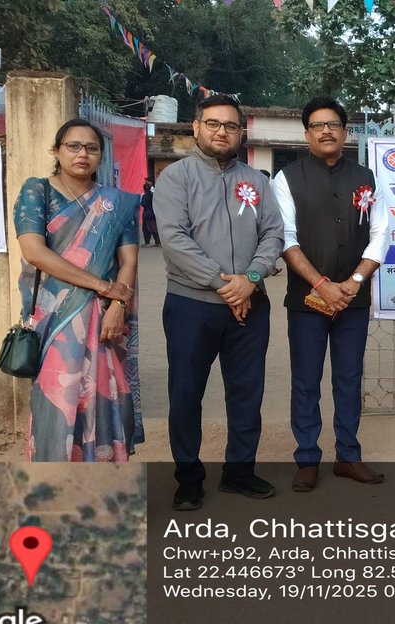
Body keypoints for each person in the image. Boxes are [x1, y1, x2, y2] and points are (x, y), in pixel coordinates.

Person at [155, 94, 284, 510]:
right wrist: (224, 285)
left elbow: (273, 236)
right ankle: (189, 477)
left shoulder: (258, 181)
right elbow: (174, 240)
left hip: (251, 303)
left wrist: (249, 280)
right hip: (192, 305)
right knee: (187, 393)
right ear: (196, 127)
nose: (221, 132)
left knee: (246, 393)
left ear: (240, 132)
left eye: (230, 125)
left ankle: (239, 471)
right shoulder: (176, 178)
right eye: (213, 123)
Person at [271, 97, 388, 491]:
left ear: (345, 131)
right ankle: (307, 457)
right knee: (305, 379)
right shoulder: (286, 179)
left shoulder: (367, 178)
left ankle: (348, 456)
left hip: (352, 300)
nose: (326, 131)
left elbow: (380, 234)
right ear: (306, 134)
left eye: (333, 124)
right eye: (317, 125)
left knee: (349, 378)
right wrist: (322, 284)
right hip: (306, 301)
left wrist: (354, 282)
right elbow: (285, 239)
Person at [14, 119, 139, 462]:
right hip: (54, 320)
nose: (83, 154)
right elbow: (35, 252)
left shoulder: (115, 204)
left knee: (102, 394)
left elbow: (129, 259)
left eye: (92, 148)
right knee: (59, 397)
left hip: (104, 319)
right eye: (73, 146)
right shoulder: (36, 191)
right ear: (56, 151)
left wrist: (117, 304)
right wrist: (102, 286)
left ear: (100, 155)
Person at [140, 179, 159, 246]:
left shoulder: (144, 196)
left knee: (146, 229)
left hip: (146, 214)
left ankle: (147, 243)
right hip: (153, 213)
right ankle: (157, 242)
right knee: (154, 228)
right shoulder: (154, 195)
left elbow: (143, 204)